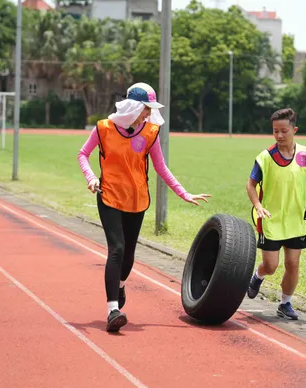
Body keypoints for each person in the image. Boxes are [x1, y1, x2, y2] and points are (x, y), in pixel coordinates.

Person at [77, 82, 211, 333]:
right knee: (116, 249)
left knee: (128, 255)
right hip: (109, 196)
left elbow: (161, 167)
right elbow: (83, 154)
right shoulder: (103, 128)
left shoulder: (150, 133)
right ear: (133, 106)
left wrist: (184, 193)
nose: (149, 114)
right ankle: (113, 310)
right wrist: (91, 178)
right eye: (146, 109)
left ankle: (120, 285)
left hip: (137, 200)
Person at [245, 108, 306, 320]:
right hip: (270, 220)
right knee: (271, 265)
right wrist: (258, 205)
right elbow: (250, 185)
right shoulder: (265, 157)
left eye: (284, 131)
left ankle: (285, 304)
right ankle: (258, 275)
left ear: (294, 130)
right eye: (275, 131)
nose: (279, 135)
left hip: (297, 220)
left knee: (293, 264)